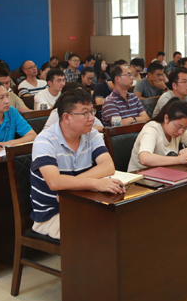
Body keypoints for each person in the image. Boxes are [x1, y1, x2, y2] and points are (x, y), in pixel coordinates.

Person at [30, 89, 123, 239]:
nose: (92, 118)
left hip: (84, 205)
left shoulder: (91, 134)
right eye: (85, 113)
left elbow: (108, 166)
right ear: (66, 117)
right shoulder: (45, 140)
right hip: (53, 214)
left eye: (92, 111)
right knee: (102, 233)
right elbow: (54, 182)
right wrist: (95, 183)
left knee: (123, 222)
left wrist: (68, 187)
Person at [128, 98, 187, 172]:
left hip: (165, 174)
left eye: (185, 128)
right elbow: (144, 158)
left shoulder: (180, 130)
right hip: (140, 178)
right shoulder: (152, 129)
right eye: (178, 127)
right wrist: (178, 159)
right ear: (166, 118)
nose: (181, 132)